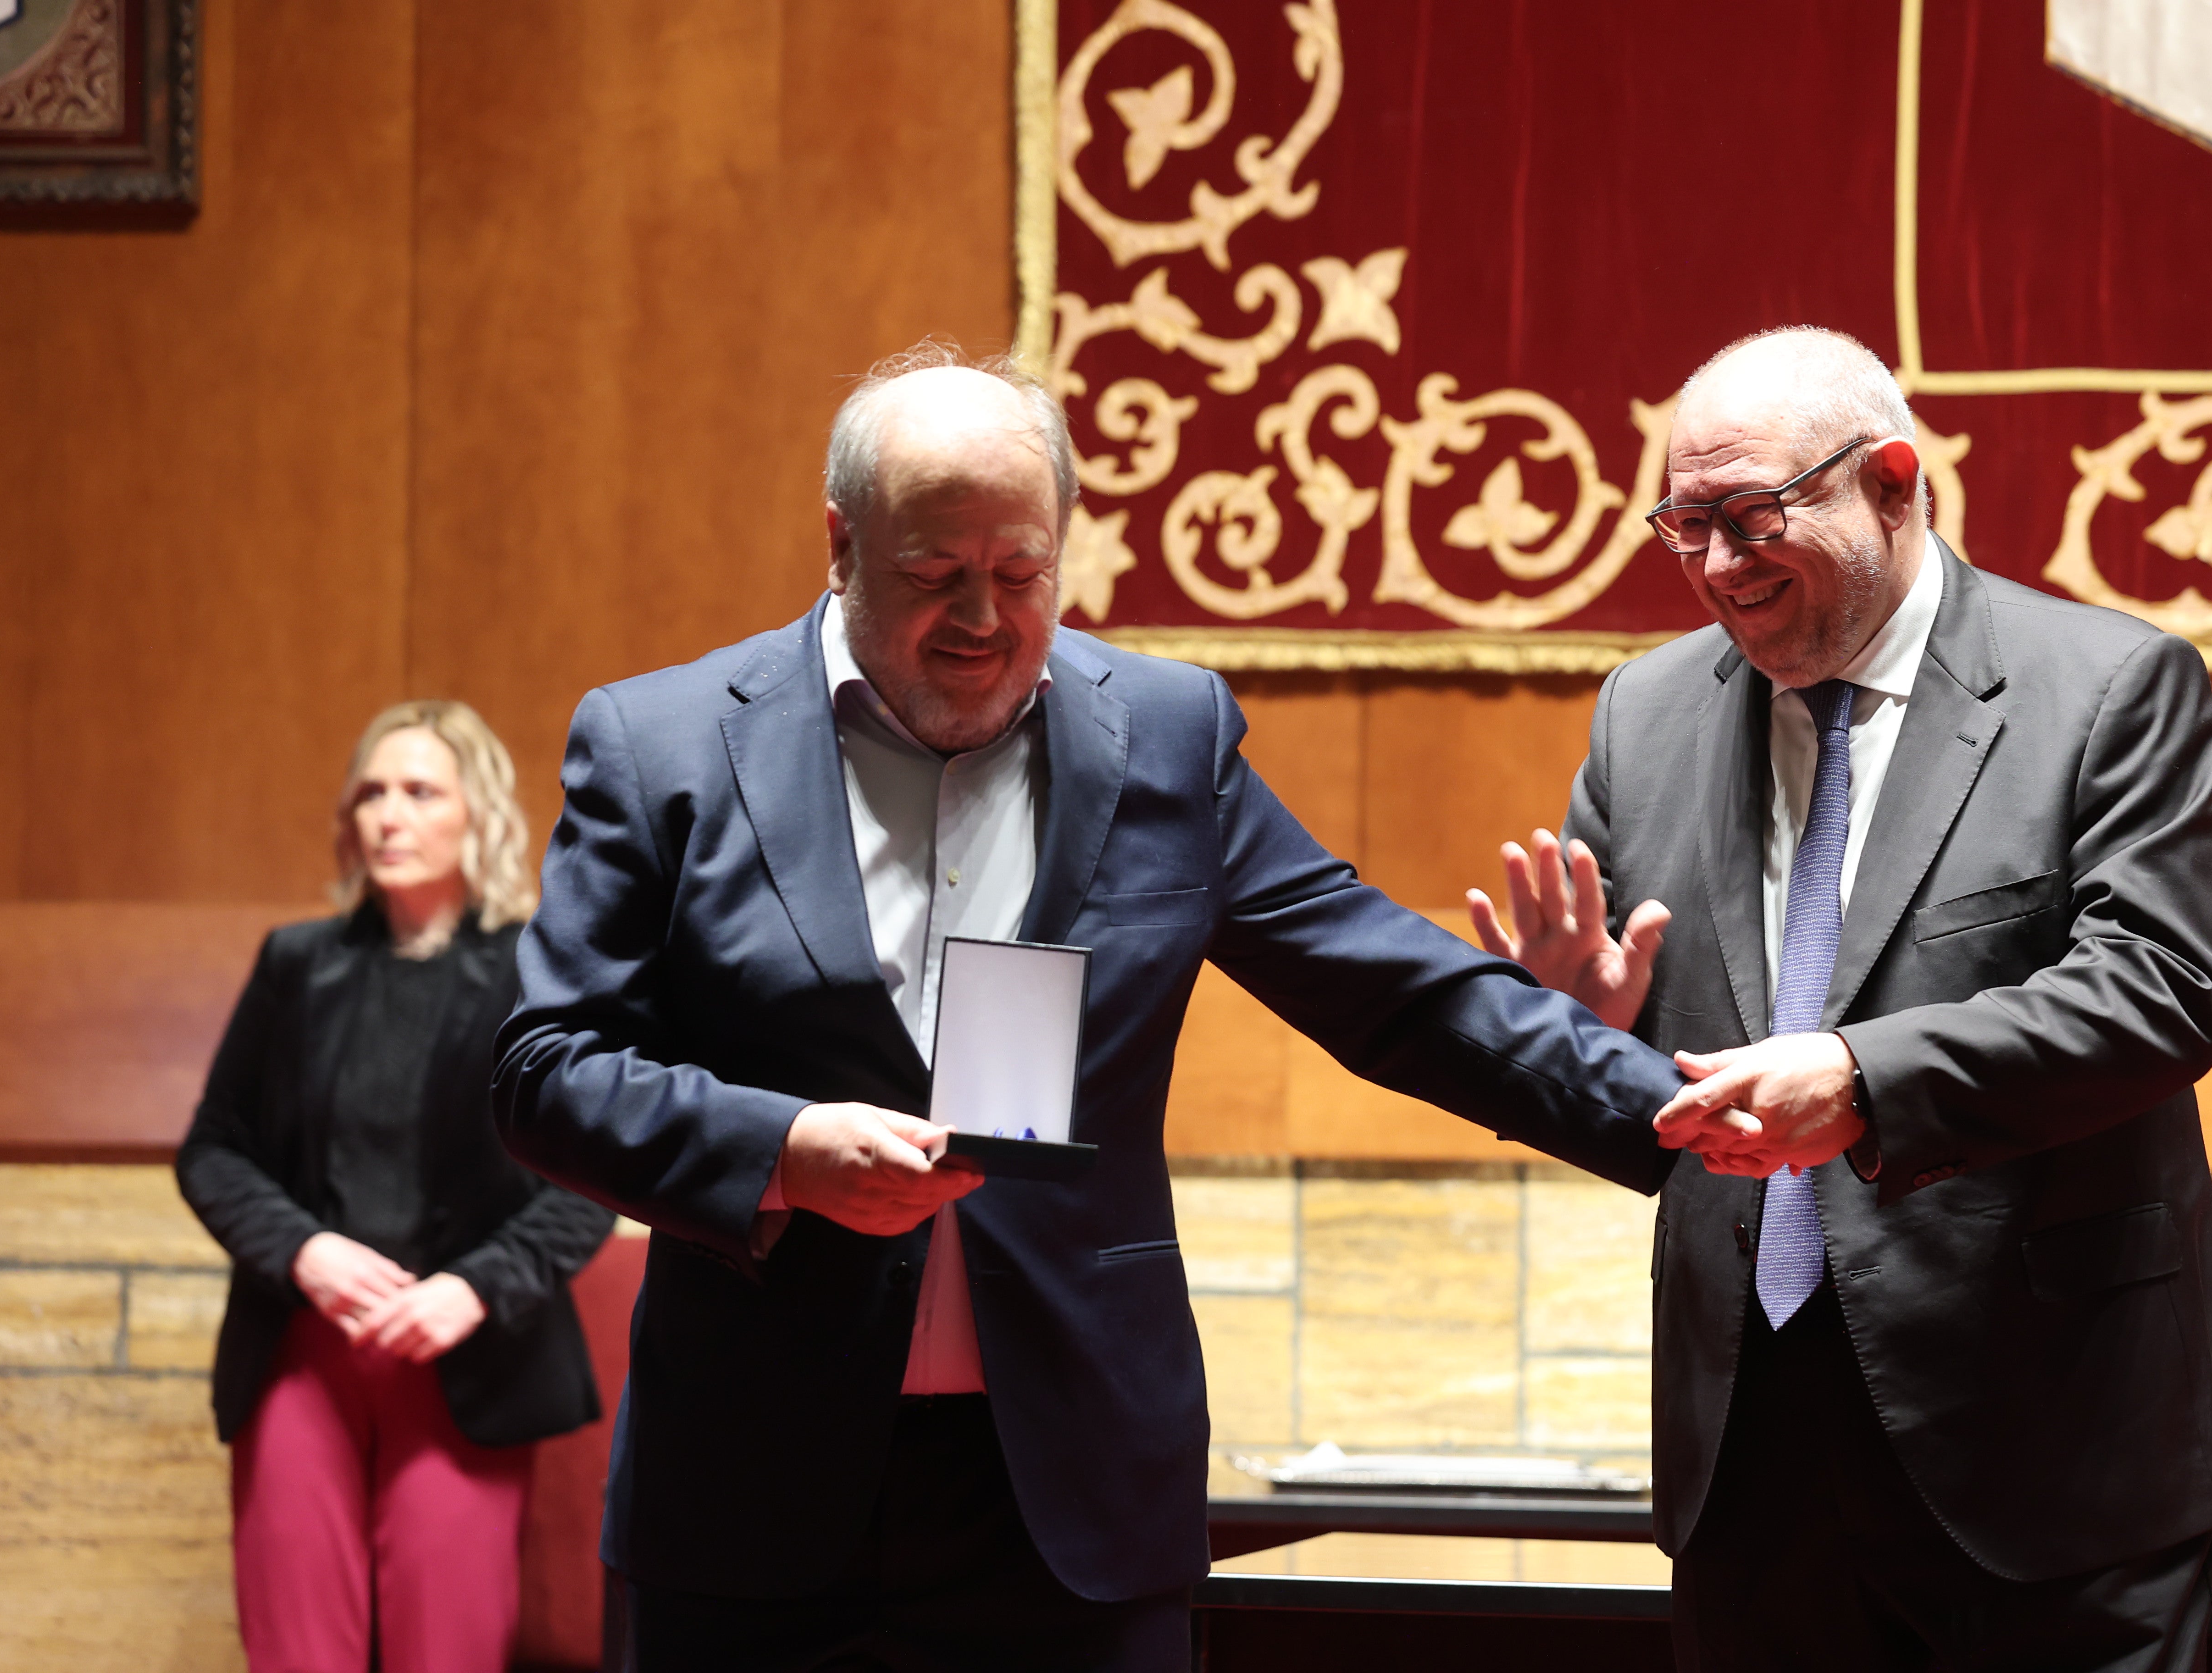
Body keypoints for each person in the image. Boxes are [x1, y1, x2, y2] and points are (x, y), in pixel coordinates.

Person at [491, 341, 1692, 1673]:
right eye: (934, 575)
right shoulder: (664, 746)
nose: (984, 618)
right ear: (840, 544)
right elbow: (545, 1068)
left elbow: (1389, 987)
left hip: (1073, 1500)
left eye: (1023, 573)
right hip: (757, 1498)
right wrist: (779, 1151)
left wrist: (1687, 1118)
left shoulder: (1167, 734)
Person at [1469, 327, 2212, 1671]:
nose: (1717, 565)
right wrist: (1584, 1031)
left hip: (2047, 1438)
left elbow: (2159, 992)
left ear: (1891, 483)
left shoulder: (2107, 687)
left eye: (1752, 516)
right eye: (1686, 526)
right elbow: (1639, 1067)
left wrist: (1858, 1079)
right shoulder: (1643, 715)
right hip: (1749, 1449)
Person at [178, 700, 616, 1673]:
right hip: (302, 1350)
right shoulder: (296, 964)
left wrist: (476, 1288)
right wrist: (302, 1249)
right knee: (298, 1649)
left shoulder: (540, 977)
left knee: (445, 1646)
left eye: (420, 792)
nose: (389, 815)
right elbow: (212, 1151)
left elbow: (590, 1177)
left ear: (478, 814)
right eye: (371, 793)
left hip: (468, 1355)